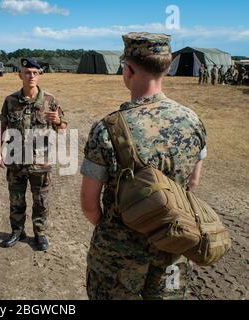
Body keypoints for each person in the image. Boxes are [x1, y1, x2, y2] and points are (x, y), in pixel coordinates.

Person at [80, 32, 207, 300]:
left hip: (117, 259)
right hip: (174, 249)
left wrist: (116, 234)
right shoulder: (193, 121)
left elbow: (90, 205)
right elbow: (192, 182)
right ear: (168, 67)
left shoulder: (107, 128)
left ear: (127, 70)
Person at [0, 58, 67, 251]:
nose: (31, 76)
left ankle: (40, 233)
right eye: (27, 72)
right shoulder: (10, 101)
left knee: (41, 201)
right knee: (16, 200)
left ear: (39, 75)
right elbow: (2, 127)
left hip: (41, 163)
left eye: (35, 73)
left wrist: (59, 121)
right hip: (16, 161)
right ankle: (17, 231)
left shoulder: (50, 100)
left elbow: (62, 129)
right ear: (20, 75)